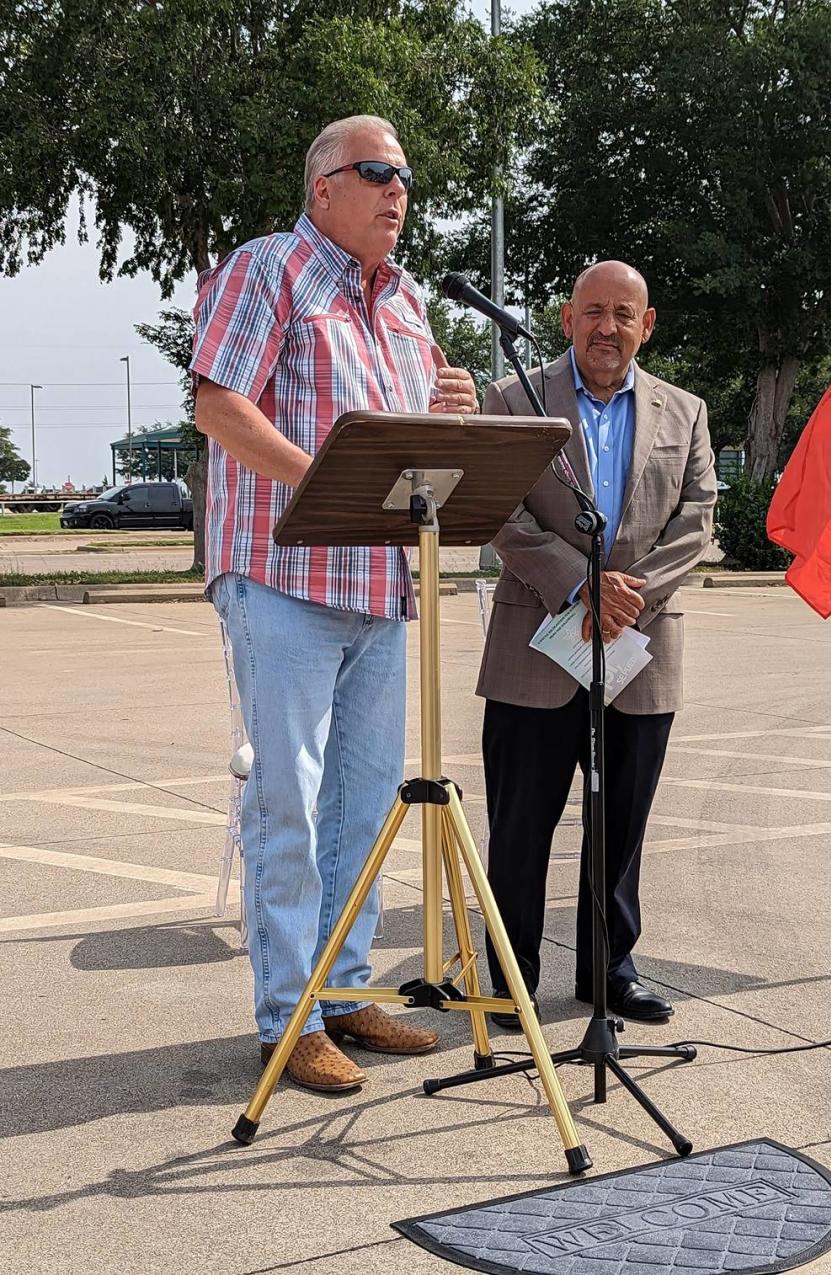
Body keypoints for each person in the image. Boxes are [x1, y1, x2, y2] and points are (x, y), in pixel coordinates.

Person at [191, 115, 478, 1092]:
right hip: (282, 577)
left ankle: (347, 993)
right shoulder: (267, 269)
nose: (398, 190)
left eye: (405, 176)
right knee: (291, 809)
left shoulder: (405, 306)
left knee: (361, 807)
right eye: (377, 172)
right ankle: (288, 1020)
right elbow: (218, 404)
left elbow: (410, 452)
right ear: (324, 187)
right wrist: (328, 483)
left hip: (380, 584)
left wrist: (452, 426)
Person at [476, 260, 716, 1029]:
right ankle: (512, 977)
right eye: (592, 312)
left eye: (623, 314)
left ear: (647, 326)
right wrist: (581, 582)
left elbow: (699, 518)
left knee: (621, 827)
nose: (606, 327)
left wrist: (624, 593)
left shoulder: (686, 412)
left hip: (640, 648)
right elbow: (499, 510)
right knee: (521, 827)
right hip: (536, 644)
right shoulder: (513, 399)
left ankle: (609, 971)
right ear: (566, 317)